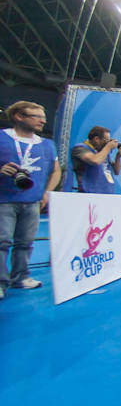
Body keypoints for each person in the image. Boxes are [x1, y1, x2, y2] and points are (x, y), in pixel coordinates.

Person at [0, 101, 61, 298]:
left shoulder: (47, 144)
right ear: (19, 116)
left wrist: (47, 192)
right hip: (4, 200)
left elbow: (56, 171)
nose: (42, 121)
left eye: (43, 117)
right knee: (2, 242)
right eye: (37, 116)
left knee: (25, 242)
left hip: (32, 201)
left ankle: (20, 277)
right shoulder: (2, 138)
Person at [70, 126, 121, 193]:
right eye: (106, 141)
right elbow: (95, 161)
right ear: (96, 139)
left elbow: (116, 171)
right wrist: (108, 147)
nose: (107, 143)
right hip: (89, 193)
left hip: (107, 193)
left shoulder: (102, 151)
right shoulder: (80, 148)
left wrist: (118, 157)